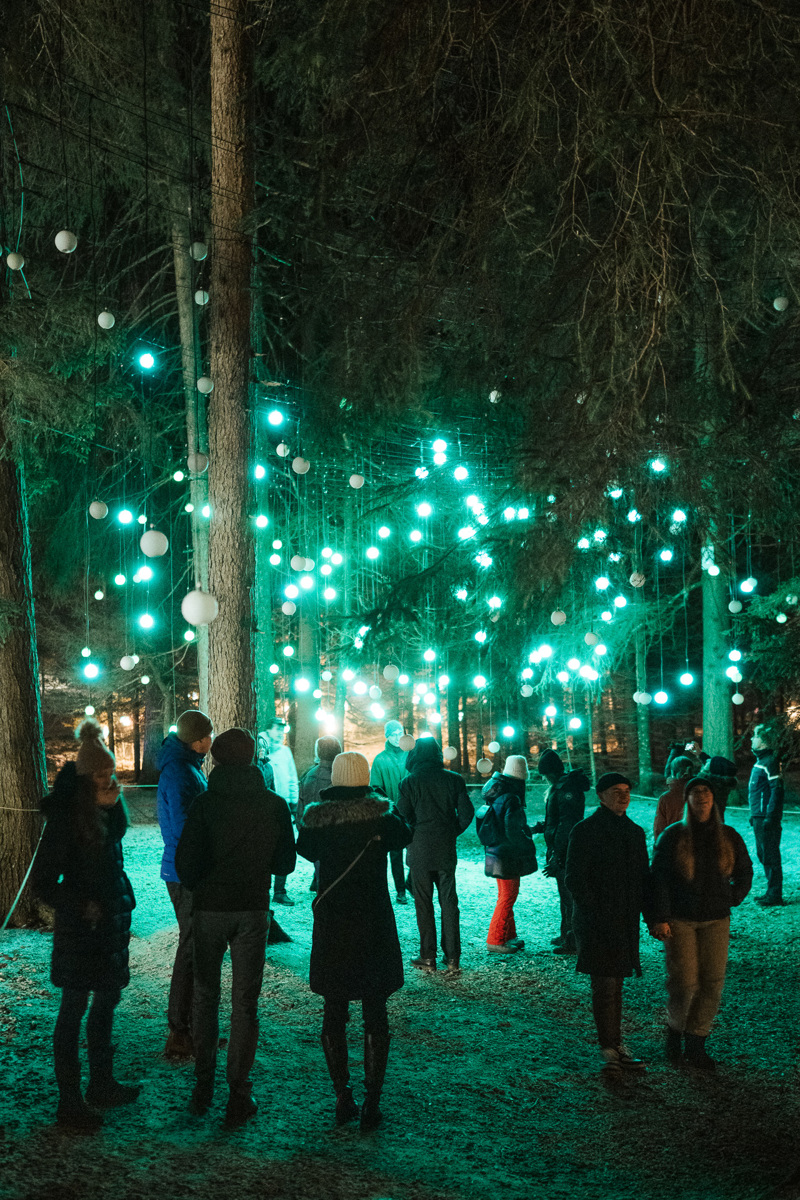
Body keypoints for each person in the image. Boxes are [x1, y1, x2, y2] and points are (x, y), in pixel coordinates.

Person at [175, 728, 296, 1126]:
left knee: (205, 996)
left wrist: (206, 880)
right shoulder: (273, 804)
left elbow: (185, 865)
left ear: (217, 759)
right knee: (245, 1003)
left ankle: (203, 1084)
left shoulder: (205, 804)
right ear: (252, 758)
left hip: (210, 908)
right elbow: (285, 863)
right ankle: (238, 1091)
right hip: (252, 908)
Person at [32, 719, 139, 1132]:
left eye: (111, 772)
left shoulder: (107, 811)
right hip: (80, 931)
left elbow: (113, 848)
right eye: (100, 775)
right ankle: (69, 1101)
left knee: (107, 1001)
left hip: (109, 926)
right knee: (74, 1007)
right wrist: (80, 905)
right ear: (84, 780)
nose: (109, 780)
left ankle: (101, 1083)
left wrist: (113, 806)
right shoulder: (64, 820)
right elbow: (43, 883)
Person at [296, 752, 412, 1131]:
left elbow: (305, 849)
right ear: (365, 779)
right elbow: (405, 834)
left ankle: (342, 1096)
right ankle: (372, 1102)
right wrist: (378, 799)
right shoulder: (382, 815)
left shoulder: (317, 818)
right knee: (376, 1010)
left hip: (333, 922)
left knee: (334, 1007)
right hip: (373, 920)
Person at [650, 778, 753, 1069]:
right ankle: (674, 1033)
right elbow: (658, 879)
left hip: (716, 919)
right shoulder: (673, 836)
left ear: (714, 798)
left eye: (706, 791)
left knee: (712, 982)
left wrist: (732, 897)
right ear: (687, 799)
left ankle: (697, 1041)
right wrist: (660, 917)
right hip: (681, 920)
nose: (702, 797)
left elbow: (745, 870)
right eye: (695, 792)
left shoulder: (728, 836)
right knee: (684, 982)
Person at [565, 772, 654, 1075]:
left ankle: (614, 1044)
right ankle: (609, 1047)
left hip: (623, 919)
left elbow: (643, 878)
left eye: (626, 790)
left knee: (615, 983)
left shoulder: (633, 832)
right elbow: (575, 878)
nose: (623, 795)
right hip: (597, 921)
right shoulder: (585, 831)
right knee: (605, 983)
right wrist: (597, 911)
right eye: (616, 790)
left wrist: (652, 917)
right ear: (601, 796)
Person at [156, 708, 213, 1058]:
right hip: (184, 872)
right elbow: (183, 825)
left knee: (196, 947)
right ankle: (179, 1030)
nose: (212, 739)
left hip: (184, 868)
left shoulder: (185, 766)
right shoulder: (180, 771)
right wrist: (199, 861)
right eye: (208, 734)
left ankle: (192, 1027)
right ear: (198, 740)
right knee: (191, 948)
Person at [396, 736, 474, 975]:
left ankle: (427, 956)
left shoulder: (409, 782)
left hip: (419, 849)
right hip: (445, 849)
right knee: (449, 902)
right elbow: (466, 814)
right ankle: (453, 958)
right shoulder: (454, 780)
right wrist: (451, 831)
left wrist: (415, 832)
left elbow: (401, 815)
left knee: (423, 903)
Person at [476, 756, 537, 954]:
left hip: (496, 852)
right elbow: (513, 831)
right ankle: (496, 939)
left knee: (506, 895)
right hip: (507, 856)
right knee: (508, 896)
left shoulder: (497, 793)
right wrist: (527, 843)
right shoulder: (511, 797)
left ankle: (508, 935)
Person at [534, 749, 590, 954]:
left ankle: (573, 939)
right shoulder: (560, 787)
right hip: (562, 848)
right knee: (565, 894)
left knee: (570, 895)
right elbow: (557, 820)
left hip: (567, 850)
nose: (544, 778)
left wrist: (557, 856)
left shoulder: (566, 789)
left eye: (544, 774)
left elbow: (566, 825)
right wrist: (540, 828)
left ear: (550, 772)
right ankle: (566, 933)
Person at [259, 717, 299, 905]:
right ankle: (263, 888)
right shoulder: (260, 751)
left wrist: (293, 802)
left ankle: (280, 890)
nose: (280, 733)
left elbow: (291, 777)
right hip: (265, 807)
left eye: (282, 730)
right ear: (269, 730)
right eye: (277, 729)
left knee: (284, 846)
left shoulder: (284, 752)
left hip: (283, 805)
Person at [370, 720, 410, 904]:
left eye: (399, 733)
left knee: (416, 850)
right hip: (392, 813)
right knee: (395, 853)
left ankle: (410, 883)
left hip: (411, 811)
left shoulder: (410, 756)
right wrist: (389, 807)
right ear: (387, 736)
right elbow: (376, 788)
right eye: (393, 734)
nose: (397, 737)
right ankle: (401, 890)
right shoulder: (380, 760)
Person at [297, 736, 342, 891]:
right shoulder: (339, 776)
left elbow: (302, 803)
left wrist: (301, 825)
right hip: (333, 829)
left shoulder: (308, 775)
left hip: (312, 827)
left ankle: (318, 882)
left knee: (319, 861)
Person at [748, 725, 784, 906]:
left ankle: (775, 894)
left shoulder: (770, 762)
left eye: (755, 736)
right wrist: (754, 814)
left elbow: (776, 790)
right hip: (759, 816)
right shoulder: (761, 761)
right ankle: (771, 891)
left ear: (764, 741)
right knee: (763, 853)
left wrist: (770, 816)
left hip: (766, 818)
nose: (751, 739)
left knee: (770, 854)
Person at [653, 755, 694, 839]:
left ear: (672, 772)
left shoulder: (665, 798)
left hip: (672, 843)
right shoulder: (700, 793)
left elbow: (659, 829)